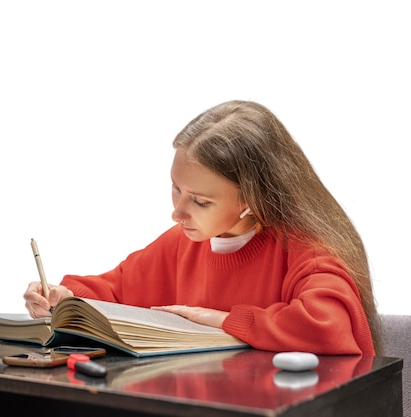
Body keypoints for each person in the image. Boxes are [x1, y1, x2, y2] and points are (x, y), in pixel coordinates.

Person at [23, 100, 381, 356]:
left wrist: (222, 320)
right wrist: (63, 300)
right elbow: (112, 292)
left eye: (200, 201)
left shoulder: (307, 251)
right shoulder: (180, 244)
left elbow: (328, 325)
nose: (177, 212)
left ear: (252, 199)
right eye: (176, 188)